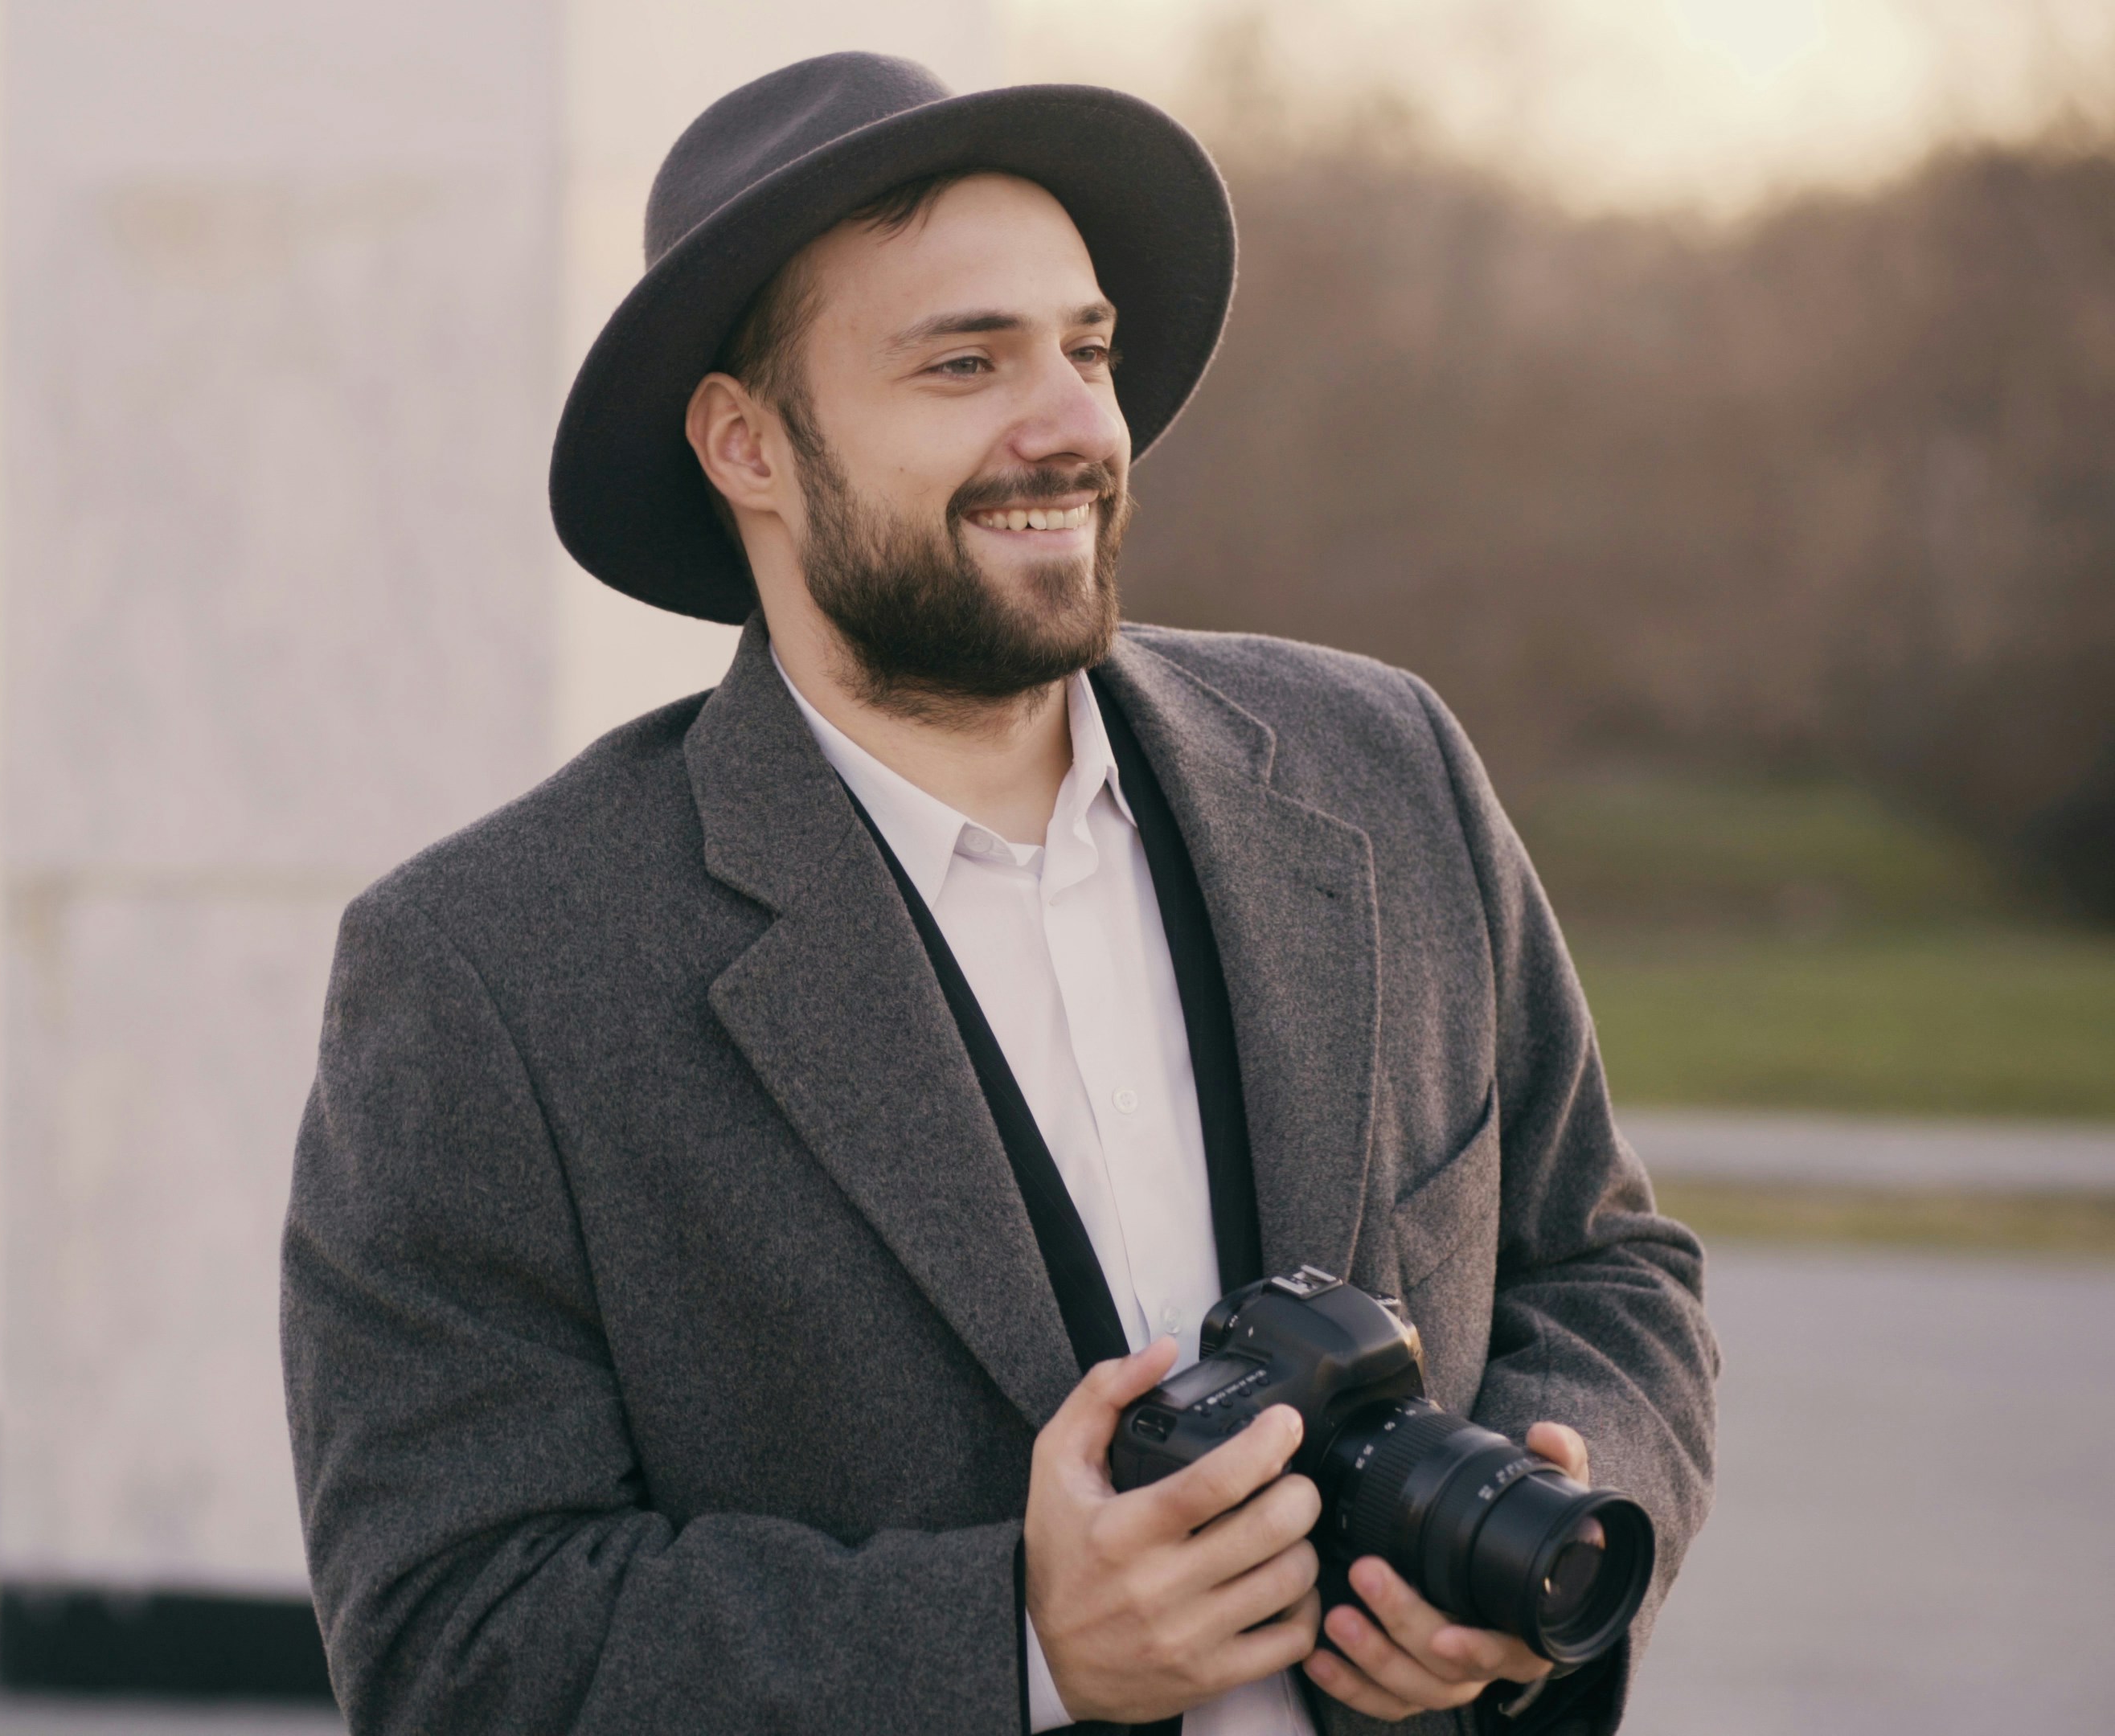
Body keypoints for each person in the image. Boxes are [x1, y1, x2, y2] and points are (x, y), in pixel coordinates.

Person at [282, 51, 1717, 1736]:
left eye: (1084, 350)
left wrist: (1560, 1529)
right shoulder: (490, 970)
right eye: (964, 363)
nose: (1070, 426)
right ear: (745, 442)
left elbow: (1607, 1271)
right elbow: (458, 1640)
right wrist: (1017, 1645)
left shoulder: (1384, 767)